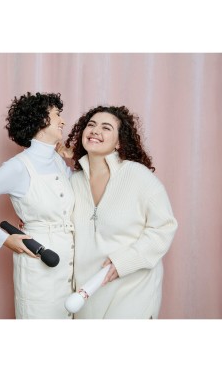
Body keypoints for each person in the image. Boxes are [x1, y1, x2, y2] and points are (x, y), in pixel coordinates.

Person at [0, 92, 75, 319]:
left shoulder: (57, 161)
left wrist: (73, 156)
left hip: (68, 263)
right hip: (38, 260)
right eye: (57, 115)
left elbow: (83, 191)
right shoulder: (18, 167)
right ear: (40, 119)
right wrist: (4, 239)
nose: (63, 121)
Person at [64, 105, 177, 319]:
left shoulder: (138, 176)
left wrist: (124, 262)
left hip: (133, 286)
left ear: (118, 142)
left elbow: (164, 227)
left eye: (106, 128)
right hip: (88, 290)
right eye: (91, 125)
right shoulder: (73, 182)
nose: (95, 130)